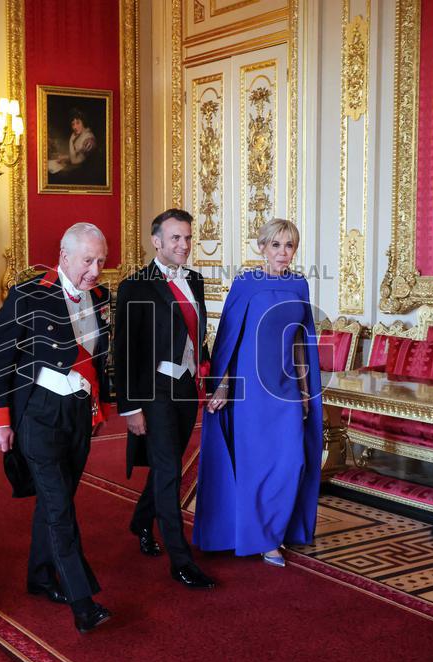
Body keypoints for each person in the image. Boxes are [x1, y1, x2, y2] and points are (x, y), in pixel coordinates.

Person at [0, 223, 112, 634]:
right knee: (60, 507)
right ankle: (82, 601)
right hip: (37, 413)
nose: (95, 269)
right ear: (64, 256)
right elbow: (0, 357)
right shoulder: (29, 293)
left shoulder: (101, 297)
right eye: (88, 260)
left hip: (77, 412)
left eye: (101, 260)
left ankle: (40, 576)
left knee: (57, 499)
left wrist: (100, 409)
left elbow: (102, 360)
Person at [193, 218, 323, 568]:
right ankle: (265, 539)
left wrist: (307, 390)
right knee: (257, 466)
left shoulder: (299, 285)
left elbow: (300, 340)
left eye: (290, 246)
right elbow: (228, 340)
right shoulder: (246, 284)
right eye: (276, 245)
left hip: (286, 391)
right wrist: (221, 383)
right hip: (250, 392)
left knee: (292, 462)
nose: (284, 252)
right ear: (262, 246)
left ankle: (275, 528)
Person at [114, 209, 217, 590]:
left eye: (188, 237)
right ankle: (180, 559)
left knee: (167, 464)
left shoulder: (195, 280)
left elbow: (196, 332)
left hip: (186, 388)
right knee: (171, 471)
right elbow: (124, 350)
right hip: (154, 389)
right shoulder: (135, 286)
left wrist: (204, 365)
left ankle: (142, 520)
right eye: (175, 238)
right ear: (156, 241)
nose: (184, 245)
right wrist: (131, 406)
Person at [47, 109, 98, 183]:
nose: (75, 127)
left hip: (85, 176)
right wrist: (65, 158)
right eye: (73, 124)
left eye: (78, 123)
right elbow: (76, 156)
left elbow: (76, 161)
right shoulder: (78, 135)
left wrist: (71, 140)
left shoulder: (88, 139)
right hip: (79, 171)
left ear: (83, 123)